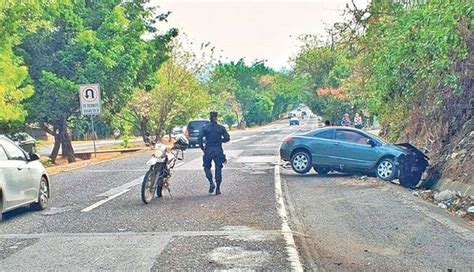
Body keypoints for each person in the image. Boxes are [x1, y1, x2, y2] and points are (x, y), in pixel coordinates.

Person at [198, 111, 230, 195]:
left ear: (210, 117)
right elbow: (227, 138)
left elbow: (199, 138)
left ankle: (211, 182)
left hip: (208, 150)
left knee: (206, 167)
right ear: (216, 117)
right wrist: (220, 140)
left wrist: (203, 148)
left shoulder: (205, 127)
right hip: (218, 150)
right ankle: (218, 188)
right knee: (218, 169)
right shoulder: (221, 128)